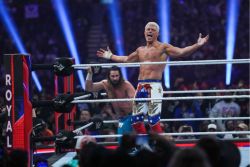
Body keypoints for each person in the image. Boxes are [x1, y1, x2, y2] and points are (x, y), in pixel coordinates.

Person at [96, 22, 209, 133]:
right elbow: (126, 59)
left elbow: (181, 52)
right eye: (148, 29)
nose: (150, 31)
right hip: (140, 86)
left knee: (153, 121)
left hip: (154, 86)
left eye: (153, 29)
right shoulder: (140, 50)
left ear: (157, 33)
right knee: (136, 121)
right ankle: (144, 146)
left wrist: (197, 45)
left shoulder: (163, 47)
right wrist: (110, 56)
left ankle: (160, 148)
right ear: (144, 32)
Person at [85, 66, 135, 136]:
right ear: (109, 76)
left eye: (117, 76)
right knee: (122, 139)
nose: (115, 78)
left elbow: (135, 100)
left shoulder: (126, 85)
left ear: (120, 76)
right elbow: (89, 88)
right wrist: (90, 74)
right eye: (113, 76)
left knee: (126, 139)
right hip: (120, 118)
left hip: (131, 116)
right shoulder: (106, 84)